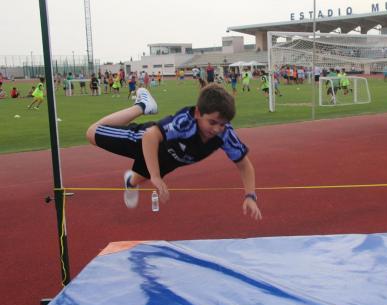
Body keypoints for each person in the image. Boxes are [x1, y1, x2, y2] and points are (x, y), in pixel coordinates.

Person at [85, 85, 262, 219]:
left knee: (139, 178)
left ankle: (131, 182)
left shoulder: (225, 135)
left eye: (223, 124)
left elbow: (244, 165)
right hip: (144, 141)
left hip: (169, 160)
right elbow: (150, 136)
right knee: (92, 133)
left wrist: (250, 196)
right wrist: (155, 176)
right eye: (212, 122)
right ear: (198, 113)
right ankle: (142, 105)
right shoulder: (185, 122)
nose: (217, 129)